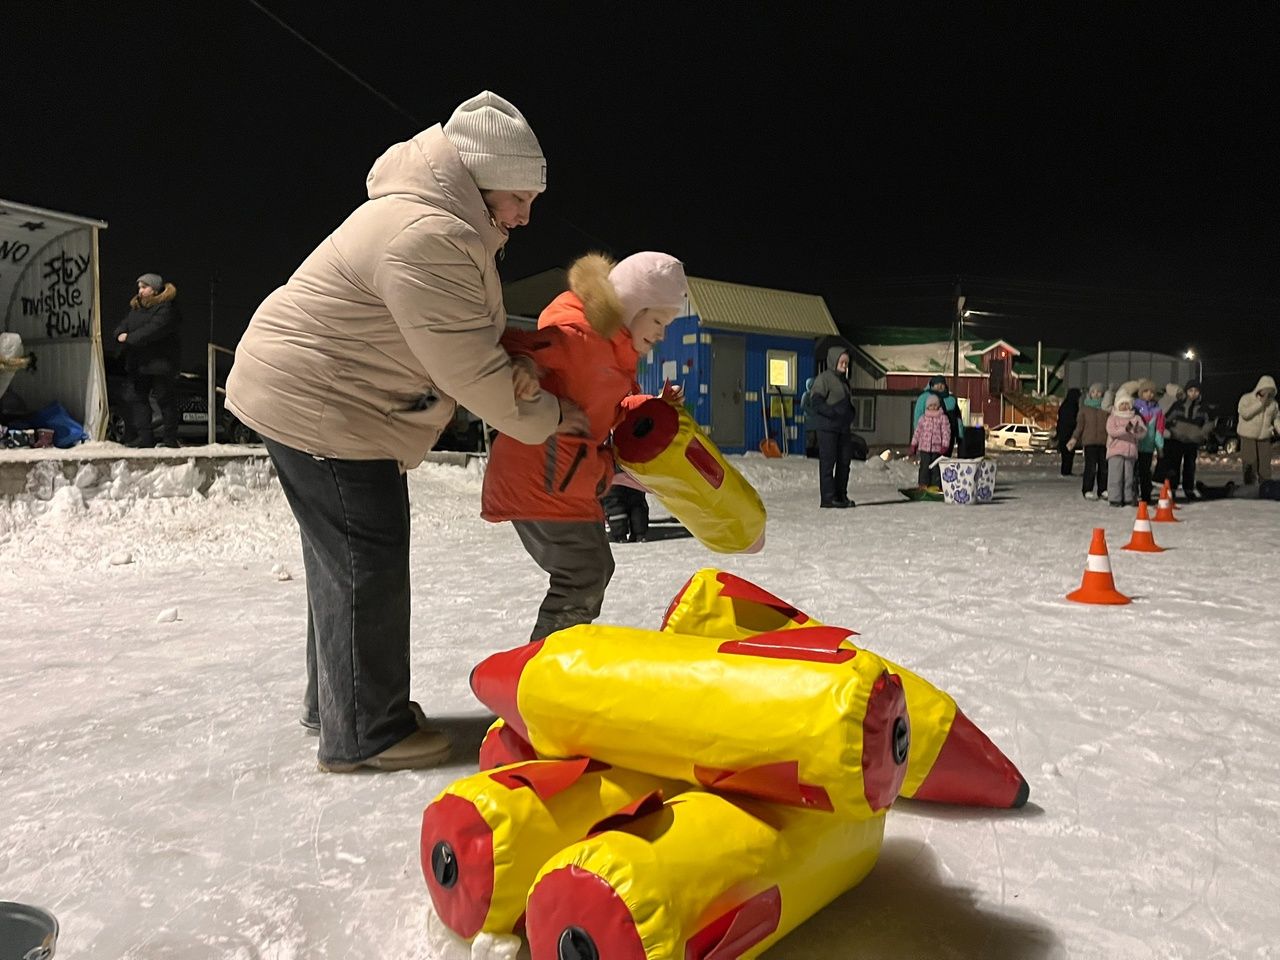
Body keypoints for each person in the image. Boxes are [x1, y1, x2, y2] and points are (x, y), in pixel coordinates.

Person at [224, 91, 589, 773]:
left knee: (346, 565)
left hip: (324, 398)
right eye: (519, 197)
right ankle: (367, 732)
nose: (525, 215)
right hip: (321, 405)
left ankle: (340, 707)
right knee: (368, 559)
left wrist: (517, 358)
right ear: (479, 181)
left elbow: (464, 336)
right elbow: (469, 370)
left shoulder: (442, 221)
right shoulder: (428, 235)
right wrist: (549, 417)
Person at [481, 251, 688, 641]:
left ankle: (550, 664)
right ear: (632, 306)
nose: (662, 334)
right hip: (540, 479)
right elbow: (517, 343)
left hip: (568, 482)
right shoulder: (580, 335)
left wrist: (654, 409)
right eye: (659, 320)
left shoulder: (615, 356)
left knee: (593, 570)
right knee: (584, 573)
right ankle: (541, 670)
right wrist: (524, 364)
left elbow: (610, 408)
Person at [112, 273, 181, 448]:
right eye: (139, 287)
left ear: (155, 289)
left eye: (144, 287)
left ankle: (170, 440)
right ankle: (145, 439)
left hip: (160, 364)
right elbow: (122, 326)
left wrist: (128, 338)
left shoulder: (166, 308)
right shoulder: (136, 308)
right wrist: (120, 333)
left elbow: (153, 330)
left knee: (165, 400)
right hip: (138, 364)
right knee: (138, 400)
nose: (140, 291)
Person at [807, 346, 855, 507]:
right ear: (834, 361)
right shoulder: (824, 379)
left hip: (843, 429)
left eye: (846, 362)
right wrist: (832, 413)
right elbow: (816, 402)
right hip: (828, 429)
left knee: (844, 463)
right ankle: (828, 498)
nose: (844, 365)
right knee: (828, 463)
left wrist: (850, 414)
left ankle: (841, 495)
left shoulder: (844, 381)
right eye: (842, 361)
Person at [1160, 379, 1211, 500]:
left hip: (1192, 442)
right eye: (1191, 390)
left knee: (1190, 466)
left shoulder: (1203, 408)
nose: (1193, 393)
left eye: (1196, 391)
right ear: (1186, 391)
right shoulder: (1178, 405)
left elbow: (1207, 424)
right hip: (1177, 440)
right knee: (1174, 465)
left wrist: (1202, 435)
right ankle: (1171, 488)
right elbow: (1166, 420)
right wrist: (1172, 431)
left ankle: (1188, 488)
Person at [1066, 383, 1109, 499]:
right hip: (1089, 442)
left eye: (1099, 392)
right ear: (1090, 393)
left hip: (1104, 442)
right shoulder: (1084, 409)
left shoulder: (1106, 409)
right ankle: (1087, 489)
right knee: (1090, 467)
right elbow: (1079, 426)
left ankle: (1103, 489)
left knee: (1104, 468)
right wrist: (1074, 438)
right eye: (1093, 392)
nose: (1096, 394)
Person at [1236, 375, 1279, 485]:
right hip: (1248, 436)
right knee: (1250, 463)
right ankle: (1249, 487)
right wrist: (1261, 404)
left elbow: (1276, 419)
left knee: (1265, 465)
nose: (1268, 393)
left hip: (1264, 437)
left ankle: (1266, 486)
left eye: (1271, 391)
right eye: (1266, 389)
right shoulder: (1247, 399)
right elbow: (1245, 413)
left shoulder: (1273, 404)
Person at [1105, 393, 1146, 507]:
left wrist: (1137, 430)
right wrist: (1126, 429)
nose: (1125, 406)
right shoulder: (1112, 418)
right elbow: (1112, 431)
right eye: (1122, 404)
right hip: (1115, 451)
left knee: (1129, 477)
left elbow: (1142, 433)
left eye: (1127, 404)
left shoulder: (1136, 418)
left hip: (1130, 452)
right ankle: (1114, 498)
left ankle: (1128, 497)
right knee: (1115, 476)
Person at [912, 374, 964, 456]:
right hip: (928, 439)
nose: (940, 386)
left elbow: (957, 417)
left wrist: (960, 434)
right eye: (937, 384)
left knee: (944, 462)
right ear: (932, 386)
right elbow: (918, 417)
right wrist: (917, 438)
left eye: (942, 384)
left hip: (948, 438)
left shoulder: (951, 399)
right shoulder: (924, 398)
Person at [908, 393, 952, 489]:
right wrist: (913, 444)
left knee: (935, 468)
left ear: (938, 406)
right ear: (927, 406)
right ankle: (923, 484)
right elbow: (918, 432)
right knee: (924, 467)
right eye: (931, 405)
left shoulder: (942, 418)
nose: (933, 407)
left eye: (935, 405)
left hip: (937, 448)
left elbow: (946, 432)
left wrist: (945, 445)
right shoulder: (923, 418)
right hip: (924, 447)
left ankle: (935, 485)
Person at [1132, 379, 1166, 502]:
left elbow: (1159, 430)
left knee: (1145, 472)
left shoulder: (1157, 411)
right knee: (1133, 472)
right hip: (1134, 445)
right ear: (1141, 393)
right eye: (1146, 391)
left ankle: (1146, 495)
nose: (1149, 394)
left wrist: (1159, 446)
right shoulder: (1134, 407)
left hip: (1148, 447)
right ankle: (1133, 494)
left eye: (1152, 392)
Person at [601, 467, 651, 544]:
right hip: (634, 472)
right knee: (637, 503)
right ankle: (640, 534)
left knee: (615, 504)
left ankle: (620, 535)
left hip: (613, 474)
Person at [1055, 387, 1081, 476]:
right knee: (1069, 453)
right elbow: (1073, 420)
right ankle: (1067, 471)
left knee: (1065, 454)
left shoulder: (1064, 405)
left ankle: (1065, 471)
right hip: (1069, 432)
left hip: (1062, 432)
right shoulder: (1073, 406)